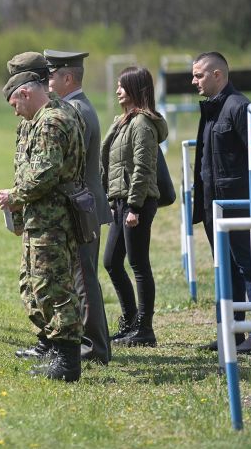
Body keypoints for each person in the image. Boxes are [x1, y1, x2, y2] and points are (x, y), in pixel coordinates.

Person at [0, 52, 86, 382]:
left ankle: (67, 361)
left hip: (53, 219)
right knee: (36, 285)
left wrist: (14, 197)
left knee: (54, 287)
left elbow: (44, 174)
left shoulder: (51, 121)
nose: (16, 112)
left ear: (25, 93)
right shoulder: (46, 117)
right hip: (41, 217)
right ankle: (55, 349)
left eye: (15, 104)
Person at [191, 52, 251, 352]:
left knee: (247, 268)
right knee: (224, 269)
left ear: (217, 75)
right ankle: (234, 332)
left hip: (239, 206)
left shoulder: (239, 107)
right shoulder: (213, 109)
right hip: (216, 208)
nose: (193, 81)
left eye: (198, 75)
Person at [42, 50, 112, 364]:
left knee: (84, 280)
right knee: (80, 277)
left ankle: (95, 347)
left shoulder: (76, 111)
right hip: (81, 205)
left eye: (52, 75)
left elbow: (69, 166)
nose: (48, 81)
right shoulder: (75, 107)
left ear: (67, 78)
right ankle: (91, 342)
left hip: (81, 208)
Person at [100, 66, 168, 347]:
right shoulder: (123, 122)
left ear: (135, 90)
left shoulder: (141, 125)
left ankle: (145, 329)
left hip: (135, 203)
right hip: (119, 202)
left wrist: (134, 208)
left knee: (138, 264)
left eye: (122, 86)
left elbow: (142, 169)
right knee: (111, 262)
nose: (117, 91)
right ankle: (130, 321)